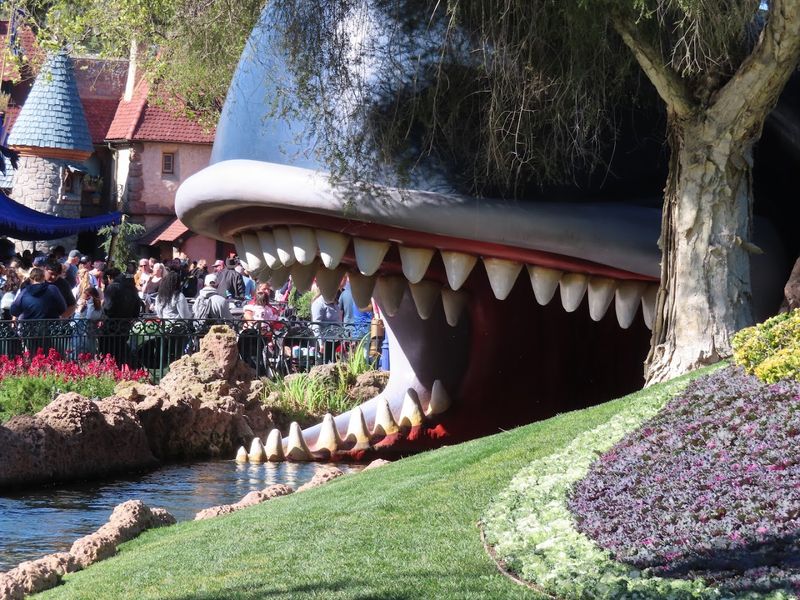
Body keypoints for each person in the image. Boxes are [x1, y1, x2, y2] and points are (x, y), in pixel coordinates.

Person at [10, 267, 67, 352]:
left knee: (33, 355)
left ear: (31, 279)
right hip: (50, 329)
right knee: (51, 355)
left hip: (29, 330)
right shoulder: (52, 289)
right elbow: (63, 308)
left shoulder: (24, 292)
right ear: (44, 277)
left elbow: (14, 311)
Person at [100, 267, 143, 363]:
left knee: (108, 353)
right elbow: (136, 311)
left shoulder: (112, 288)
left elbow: (108, 307)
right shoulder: (133, 290)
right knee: (121, 352)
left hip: (111, 325)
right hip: (125, 325)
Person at [311, 289, 342, 362]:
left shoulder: (334, 302)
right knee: (323, 364)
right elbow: (316, 324)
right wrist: (320, 343)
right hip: (324, 341)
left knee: (335, 365)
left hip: (335, 339)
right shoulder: (319, 303)